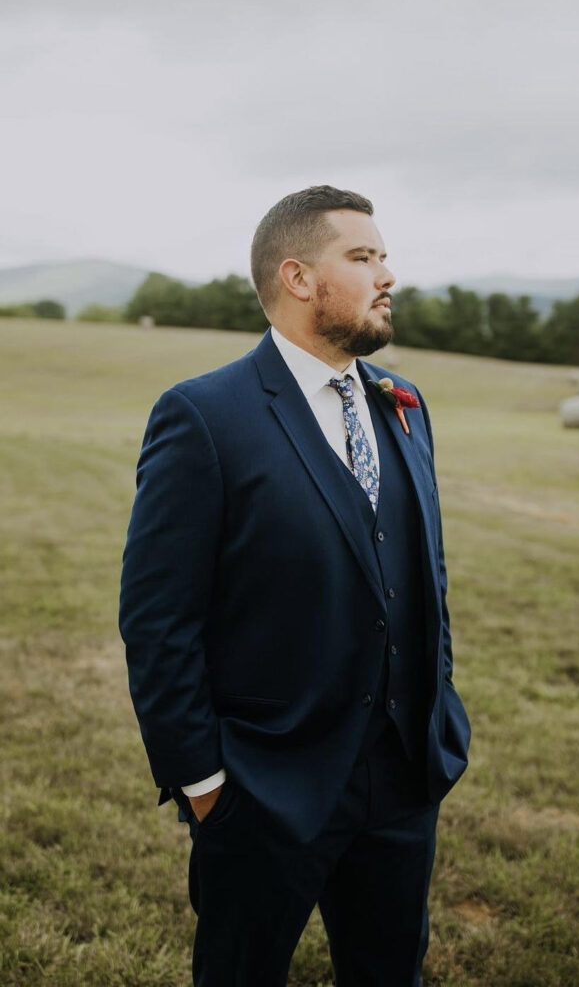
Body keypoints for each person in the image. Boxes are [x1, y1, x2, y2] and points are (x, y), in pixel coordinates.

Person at [119, 185, 471, 987]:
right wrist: (206, 787)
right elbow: (157, 619)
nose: (389, 274)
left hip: (402, 785)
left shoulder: (402, 404)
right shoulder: (205, 415)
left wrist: (437, 723)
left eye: (384, 256)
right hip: (262, 794)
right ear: (299, 277)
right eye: (364, 257)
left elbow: (426, 580)